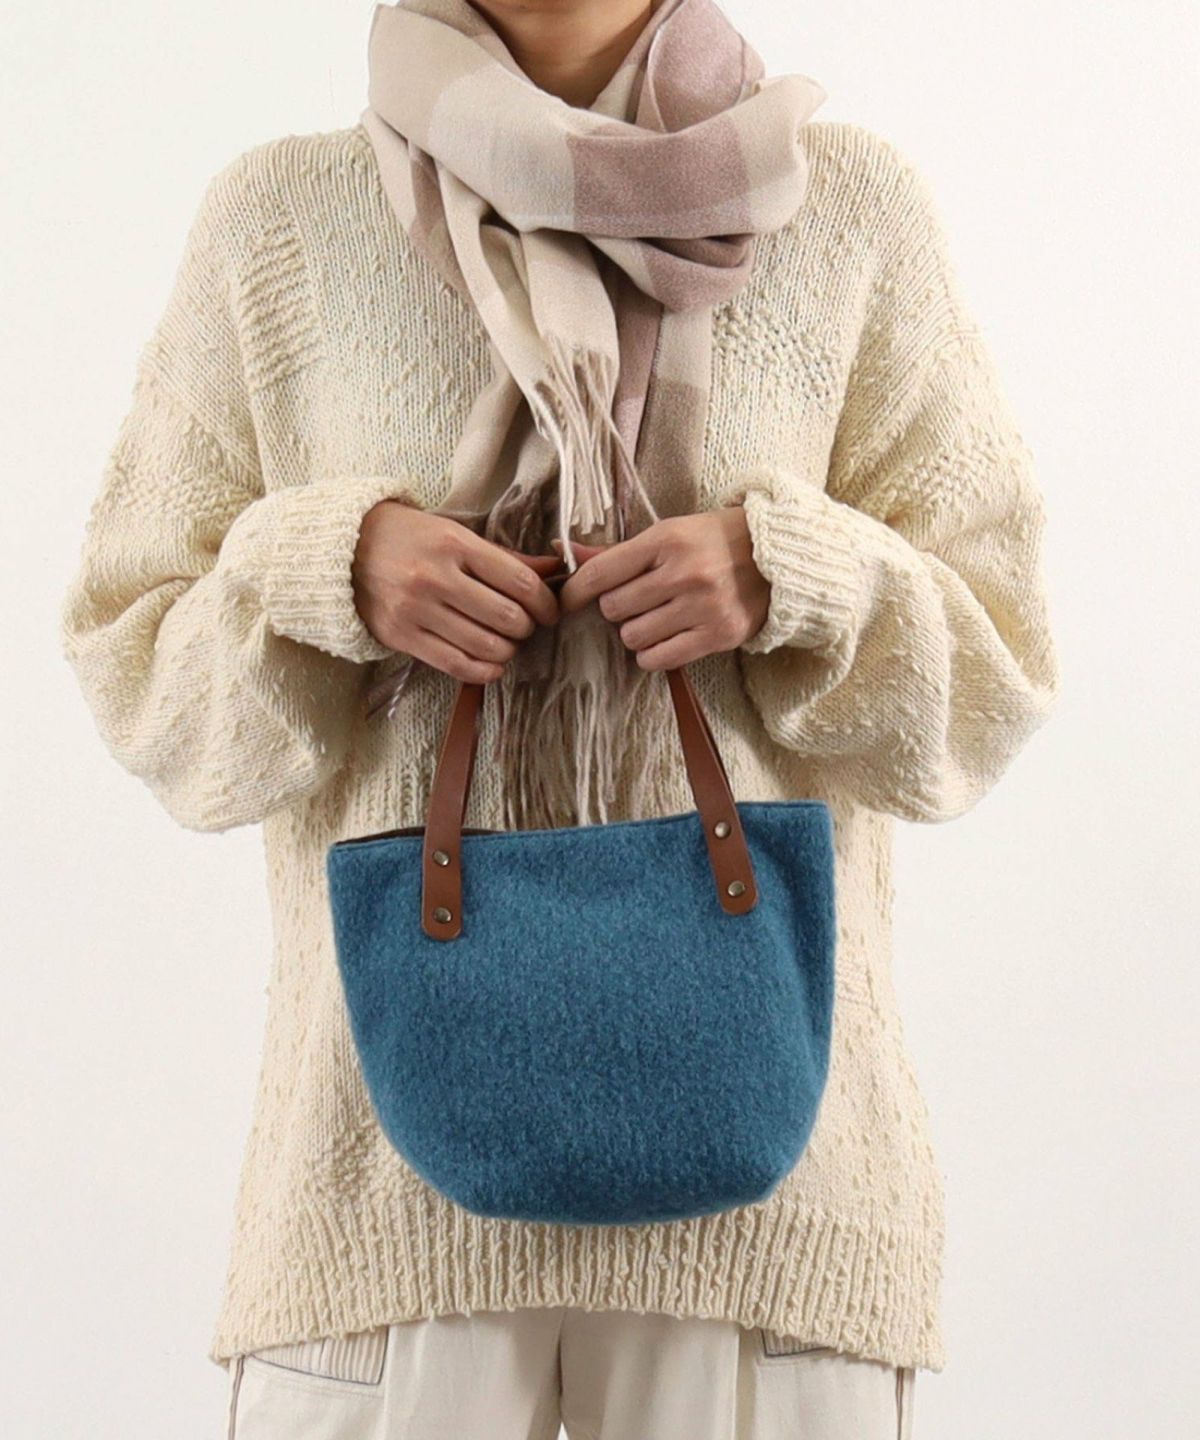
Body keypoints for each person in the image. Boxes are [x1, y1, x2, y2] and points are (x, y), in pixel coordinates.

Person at [58, 0, 1061, 1436]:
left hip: (775, 1209)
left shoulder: (846, 209)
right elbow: (136, 667)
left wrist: (795, 574)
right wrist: (326, 568)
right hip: (382, 1203)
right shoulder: (279, 220)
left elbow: (996, 672)